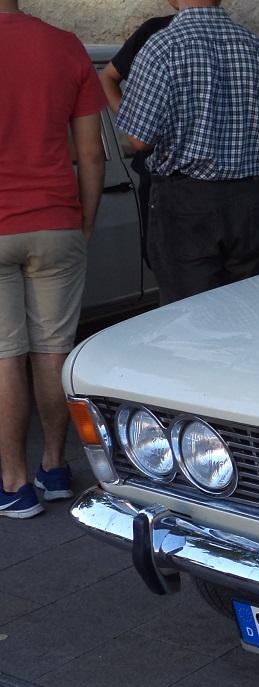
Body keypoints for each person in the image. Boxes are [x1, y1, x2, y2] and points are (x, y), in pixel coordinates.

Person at [0, 2, 107, 518]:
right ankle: (55, 469)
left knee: (4, 355)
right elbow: (91, 153)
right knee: (52, 349)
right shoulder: (65, 46)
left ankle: (14, 483)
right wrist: (84, 220)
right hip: (56, 221)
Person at [117, 0, 259, 305]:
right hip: (247, 201)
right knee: (244, 310)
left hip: (186, 202)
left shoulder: (162, 46)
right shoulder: (255, 48)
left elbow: (140, 140)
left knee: (188, 318)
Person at [98, 1, 179, 265]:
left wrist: (138, 129)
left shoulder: (158, 36)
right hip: (160, 178)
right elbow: (107, 77)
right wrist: (133, 119)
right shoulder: (154, 31)